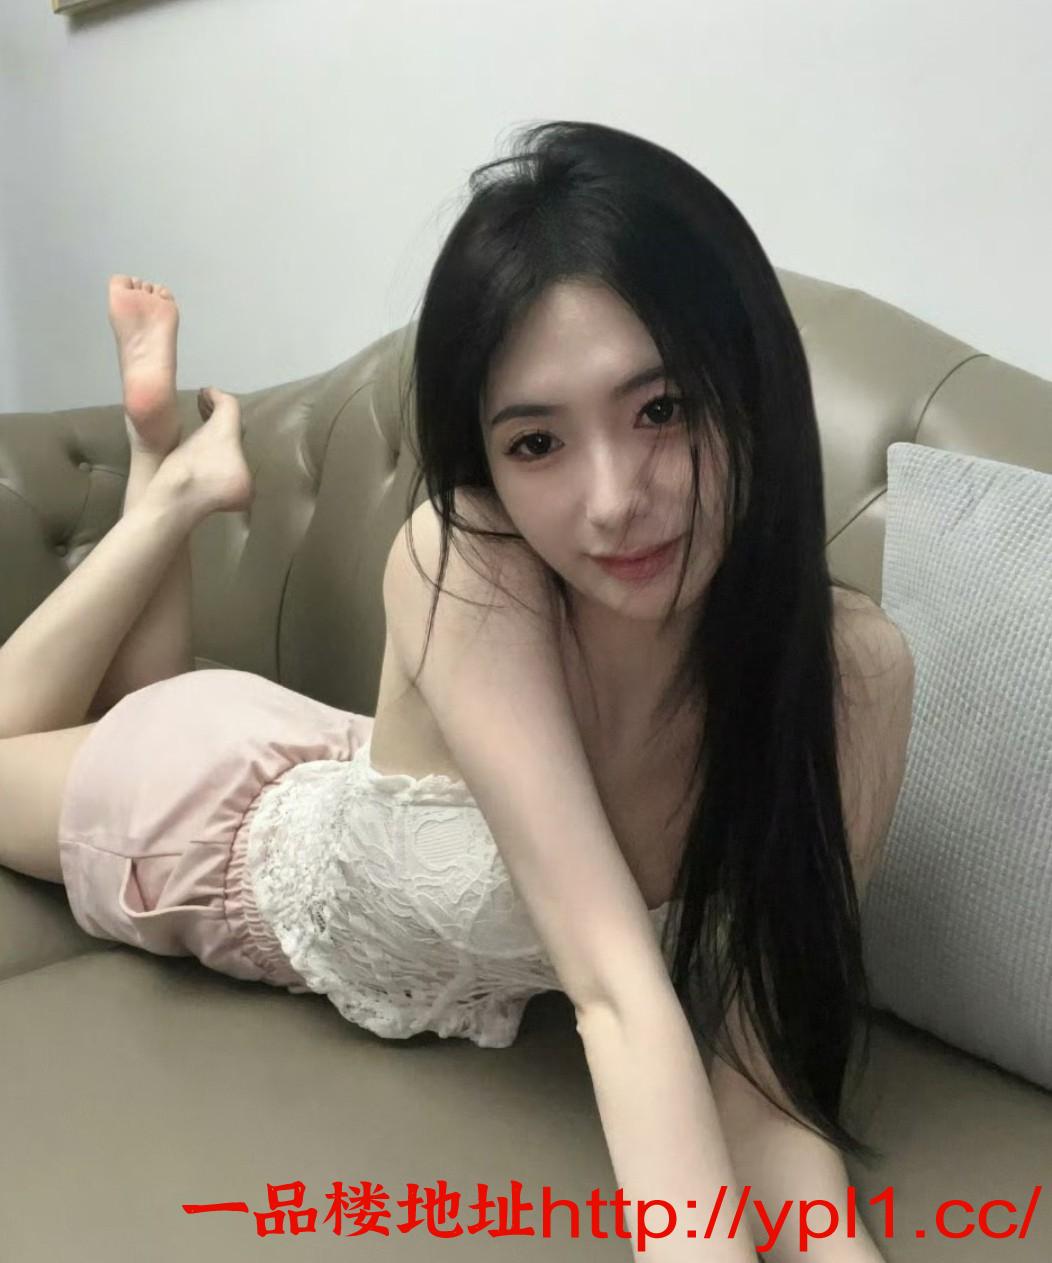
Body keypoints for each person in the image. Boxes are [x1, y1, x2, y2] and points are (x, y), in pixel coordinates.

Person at [0, 121, 911, 1260]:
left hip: (323, 755)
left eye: (662, 409)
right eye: (537, 443)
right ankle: (175, 490)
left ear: (753, 380)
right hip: (198, 824)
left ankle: (165, 467)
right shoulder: (467, 562)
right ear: (486, 460)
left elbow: (758, 1074)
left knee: (140, 692)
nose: (612, 500)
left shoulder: (852, 674)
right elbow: (618, 994)